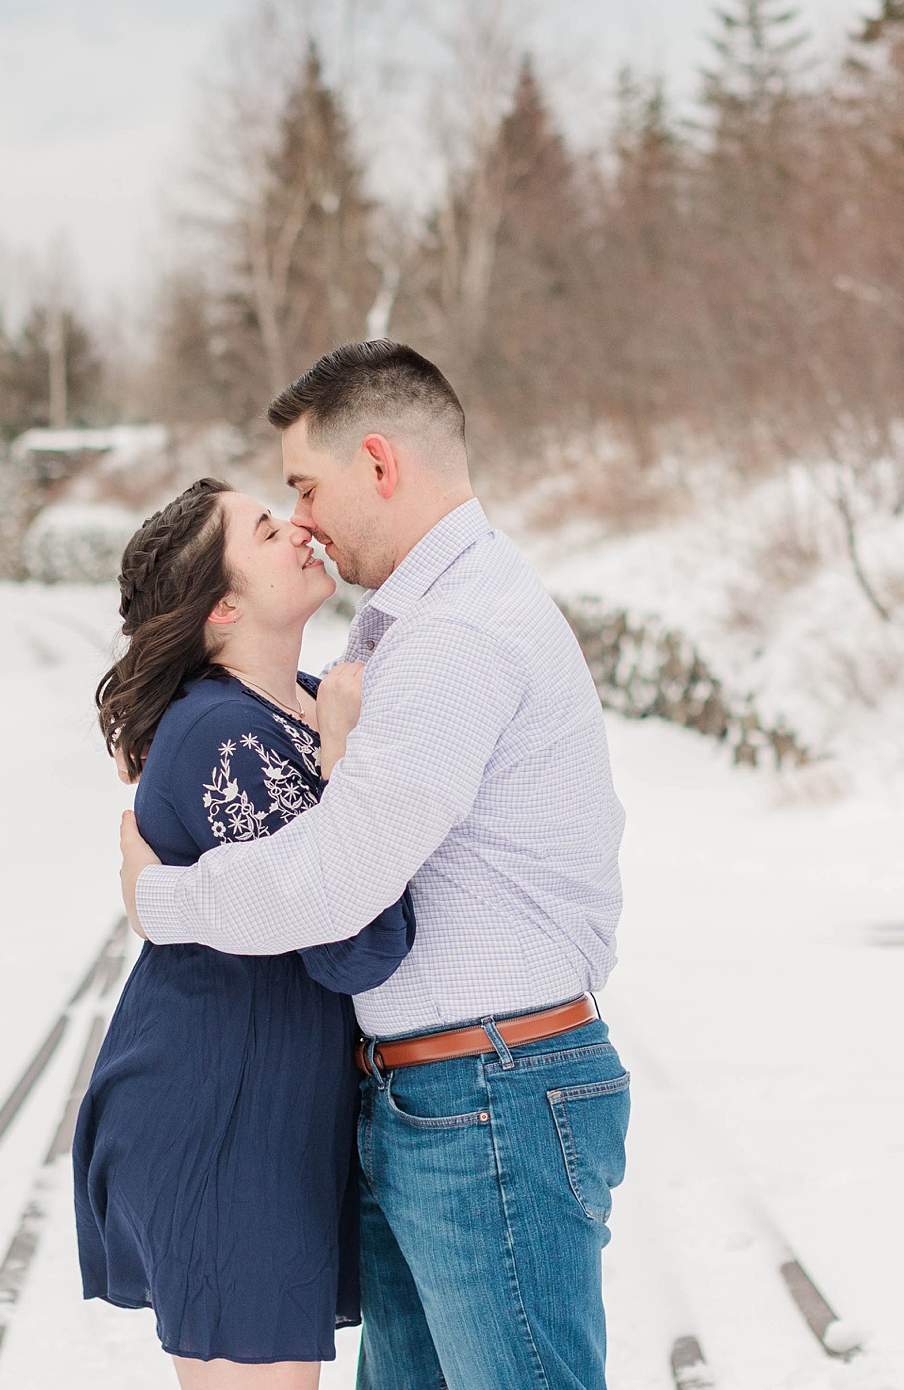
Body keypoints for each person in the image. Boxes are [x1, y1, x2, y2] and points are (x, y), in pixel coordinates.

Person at [119, 340, 630, 1390]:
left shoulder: (456, 634)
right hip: (444, 1093)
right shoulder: (414, 625)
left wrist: (161, 897)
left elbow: (339, 881)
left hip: (490, 1088)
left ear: (380, 463)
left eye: (304, 486)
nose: (301, 515)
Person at [73, 476, 415, 1389]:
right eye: (268, 528)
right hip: (222, 1120)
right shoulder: (222, 733)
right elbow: (357, 944)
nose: (300, 526)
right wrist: (344, 762)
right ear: (223, 604)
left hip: (270, 1112)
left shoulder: (296, 699)